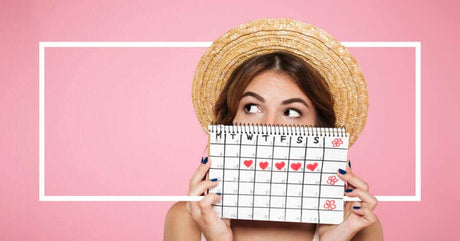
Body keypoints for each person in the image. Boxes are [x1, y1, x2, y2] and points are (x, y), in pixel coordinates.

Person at [164, 19, 383, 241]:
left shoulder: (357, 225)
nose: (269, 126)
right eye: (252, 107)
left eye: (292, 112)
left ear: (320, 130)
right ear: (230, 122)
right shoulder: (187, 219)